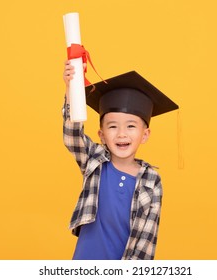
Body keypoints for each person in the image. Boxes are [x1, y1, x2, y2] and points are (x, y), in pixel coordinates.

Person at [62, 60, 178, 260]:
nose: (122, 134)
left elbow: (147, 240)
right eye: (113, 126)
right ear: (102, 134)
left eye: (131, 126)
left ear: (145, 135)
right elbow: (72, 134)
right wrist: (71, 89)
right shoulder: (95, 162)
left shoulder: (151, 180)